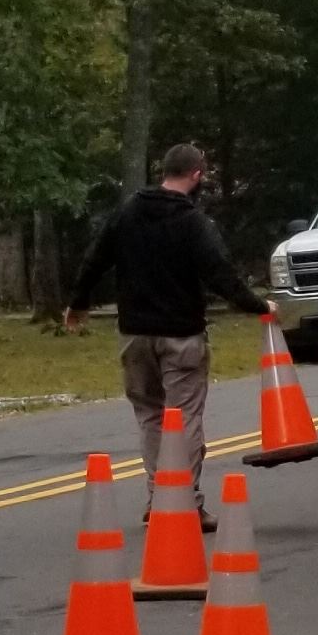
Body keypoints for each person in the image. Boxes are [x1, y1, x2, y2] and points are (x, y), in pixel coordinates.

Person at [65, 144, 272, 528]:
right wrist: (259, 306)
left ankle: (156, 497)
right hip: (182, 336)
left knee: (151, 418)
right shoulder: (192, 223)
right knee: (184, 418)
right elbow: (220, 273)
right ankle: (185, 502)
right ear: (196, 174)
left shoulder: (128, 213)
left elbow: (95, 257)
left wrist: (78, 303)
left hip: (134, 333)